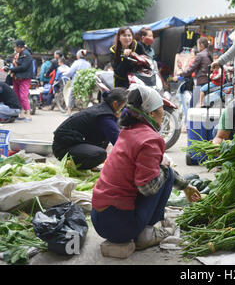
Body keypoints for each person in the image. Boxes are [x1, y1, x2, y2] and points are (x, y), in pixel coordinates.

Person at [91, 85, 201, 258]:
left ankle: (140, 228)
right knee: (165, 173)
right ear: (150, 114)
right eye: (160, 111)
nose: (163, 114)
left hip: (99, 219)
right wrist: (165, 168)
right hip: (120, 227)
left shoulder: (127, 132)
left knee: (165, 171)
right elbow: (147, 188)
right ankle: (146, 234)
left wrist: (185, 186)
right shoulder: (151, 139)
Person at [52, 88, 128, 170]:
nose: (123, 110)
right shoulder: (105, 116)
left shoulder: (102, 109)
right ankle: (77, 168)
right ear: (115, 104)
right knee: (100, 154)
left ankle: (87, 165)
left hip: (69, 144)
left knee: (104, 143)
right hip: (62, 149)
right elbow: (118, 142)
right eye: (123, 107)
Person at [173, 37, 213, 107]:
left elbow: (191, 69)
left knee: (192, 104)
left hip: (201, 82)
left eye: (198, 44)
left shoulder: (200, 55)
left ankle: (189, 118)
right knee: (204, 104)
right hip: (208, 81)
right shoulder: (208, 54)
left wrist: (180, 74)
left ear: (201, 45)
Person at [5, 40, 34, 122]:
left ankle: (28, 114)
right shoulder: (19, 54)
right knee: (17, 96)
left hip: (24, 78)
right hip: (16, 78)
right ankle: (21, 114)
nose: (14, 48)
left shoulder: (27, 55)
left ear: (20, 47)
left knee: (23, 96)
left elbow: (23, 67)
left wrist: (11, 69)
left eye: (15, 47)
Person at [64, 49, 92, 116]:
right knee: (86, 96)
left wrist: (65, 74)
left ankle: (69, 111)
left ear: (78, 56)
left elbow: (70, 72)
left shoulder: (76, 63)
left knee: (72, 95)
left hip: (77, 83)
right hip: (86, 83)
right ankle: (85, 110)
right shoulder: (88, 64)